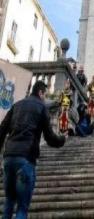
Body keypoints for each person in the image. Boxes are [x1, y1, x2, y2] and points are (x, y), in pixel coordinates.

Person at [0, 81, 66, 219]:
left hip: (9, 158)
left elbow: (1, 130)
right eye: (45, 94)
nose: (45, 98)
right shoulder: (41, 107)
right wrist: (62, 139)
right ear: (41, 93)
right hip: (26, 158)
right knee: (22, 208)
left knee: (9, 202)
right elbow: (49, 137)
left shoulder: (16, 105)